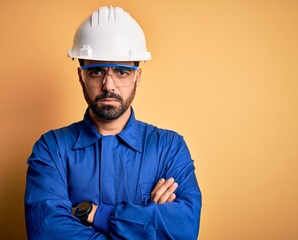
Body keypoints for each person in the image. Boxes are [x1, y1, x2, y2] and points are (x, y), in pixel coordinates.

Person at [25, 6, 202, 240]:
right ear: (81, 76)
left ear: (137, 76)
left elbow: (186, 229)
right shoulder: (52, 149)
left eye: (122, 72)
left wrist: (96, 214)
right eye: (96, 71)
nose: (109, 85)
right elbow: (46, 232)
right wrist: (146, 223)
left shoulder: (169, 148)